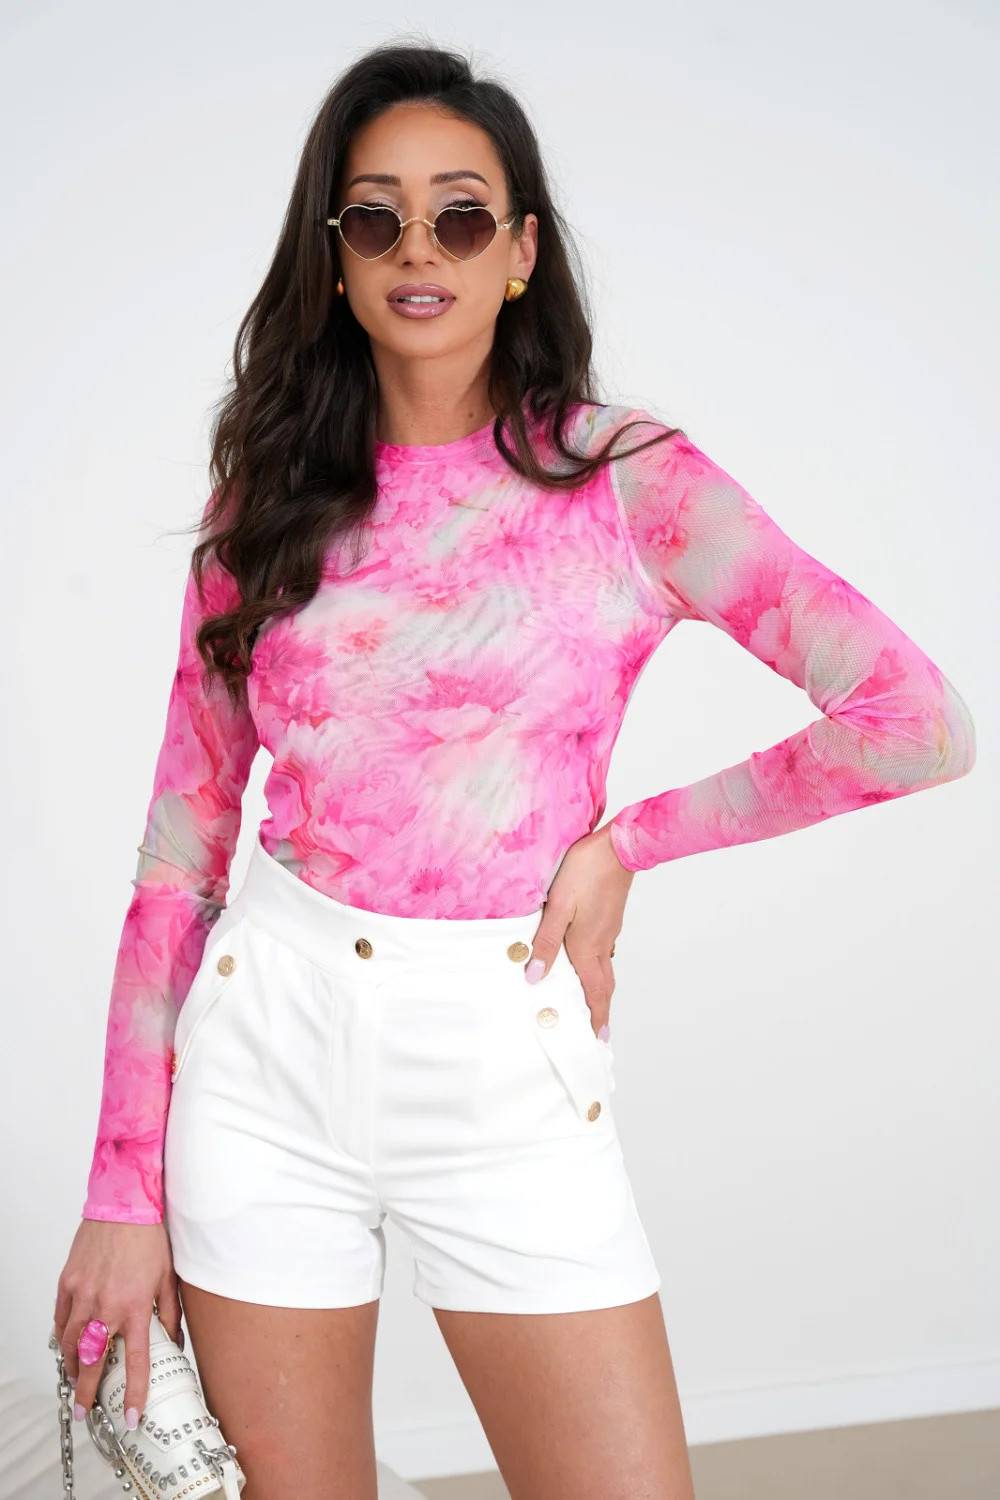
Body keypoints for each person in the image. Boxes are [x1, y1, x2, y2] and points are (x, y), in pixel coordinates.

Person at [52, 39, 976, 1500]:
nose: (419, 249)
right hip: (266, 1055)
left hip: (499, 1055)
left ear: (522, 251)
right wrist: (119, 1190)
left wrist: (630, 844)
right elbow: (180, 857)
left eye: (462, 215)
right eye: (376, 217)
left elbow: (913, 720)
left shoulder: (625, 478)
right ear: (335, 258)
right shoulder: (268, 501)